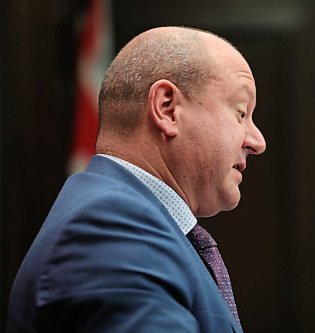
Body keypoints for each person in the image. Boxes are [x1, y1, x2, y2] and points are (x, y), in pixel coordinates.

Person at [7, 26, 266, 333]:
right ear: (167, 108)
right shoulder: (109, 228)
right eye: (240, 112)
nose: (257, 141)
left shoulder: (130, 222)